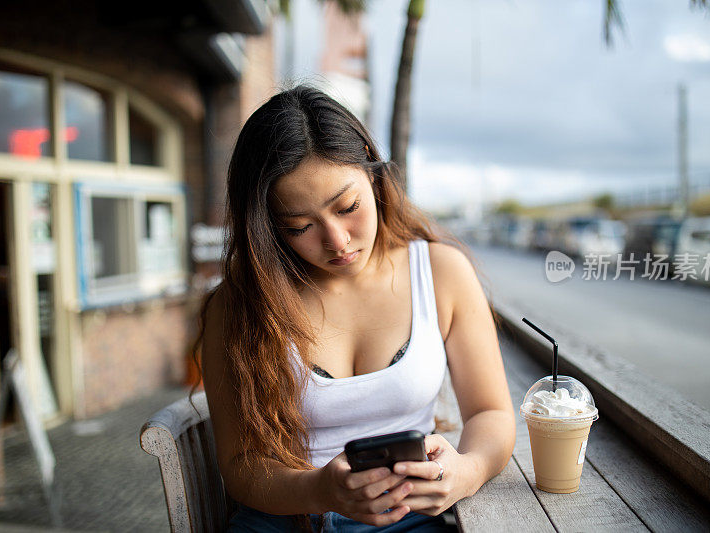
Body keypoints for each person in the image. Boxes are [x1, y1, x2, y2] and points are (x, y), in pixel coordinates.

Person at [191, 85, 516, 532]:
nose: (337, 241)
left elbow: (490, 413)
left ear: (373, 172)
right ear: (266, 227)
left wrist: (469, 470)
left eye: (347, 207)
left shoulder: (440, 272)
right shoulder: (240, 305)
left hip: (411, 518)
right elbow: (241, 465)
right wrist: (319, 490)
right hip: (291, 520)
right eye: (298, 227)